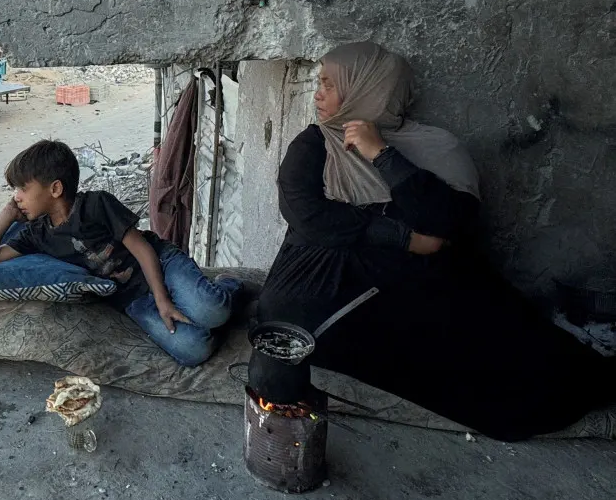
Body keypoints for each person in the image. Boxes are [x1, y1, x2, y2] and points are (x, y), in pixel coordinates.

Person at [256, 41, 616, 441]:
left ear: (370, 87)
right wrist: (406, 237)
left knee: (514, 345)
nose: (318, 95)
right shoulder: (314, 144)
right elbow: (307, 215)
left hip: (423, 278)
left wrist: (383, 156)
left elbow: (449, 220)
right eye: (317, 83)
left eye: (328, 84)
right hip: (341, 283)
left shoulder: (433, 146)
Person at [0, 139, 240, 366]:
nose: (16, 197)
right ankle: (203, 309)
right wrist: (4, 218)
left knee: (212, 310)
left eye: (22, 188)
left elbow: (143, 249)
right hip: (132, 298)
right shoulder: (37, 233)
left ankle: (229, 288)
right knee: (195, 351)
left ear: (55, 188)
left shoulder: (97, 205)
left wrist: (162, 300)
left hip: (161, 265)